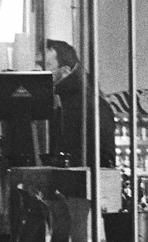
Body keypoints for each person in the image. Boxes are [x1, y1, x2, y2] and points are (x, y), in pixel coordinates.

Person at [45, 38, 116, 167]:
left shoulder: (88, 105)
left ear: (65, 71)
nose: (39, 70)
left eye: (47, 65)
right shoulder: (85, 101)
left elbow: (103, 158)